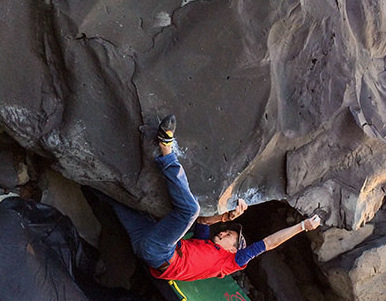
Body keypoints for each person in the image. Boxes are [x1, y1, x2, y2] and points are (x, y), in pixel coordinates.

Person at [90, 115, 321, 281]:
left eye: (229, 234)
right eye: (227, 230)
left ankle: (166, 151)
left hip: (161, 253)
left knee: (189, 210)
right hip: (148, 246)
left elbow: (268, 244)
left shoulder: (231, 262)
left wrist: (302, 226)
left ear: (235, 249)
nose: (223, 233)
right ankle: (84, 177)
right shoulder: (204, 244)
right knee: (117, 200)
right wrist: (224, 217)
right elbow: (202, 222)